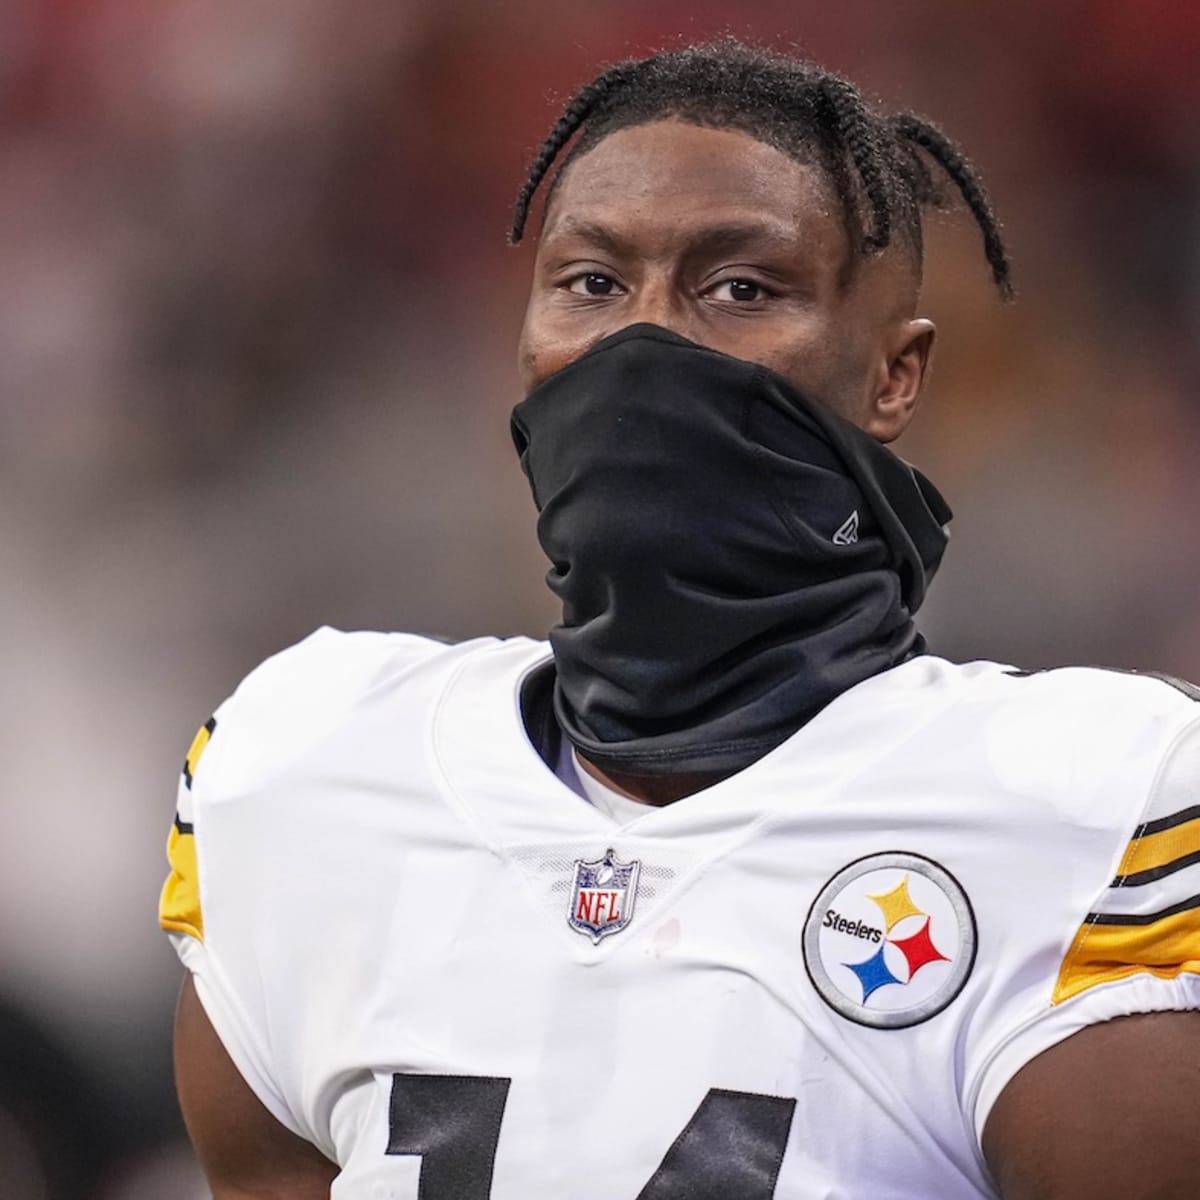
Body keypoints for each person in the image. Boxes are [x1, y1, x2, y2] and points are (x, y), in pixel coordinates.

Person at [160, 39, 1200, 1199]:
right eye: (591, 283)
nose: (643, 344)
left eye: (740, 288)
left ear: (893, 378)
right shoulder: (309, 767)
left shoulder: (1082, 804)